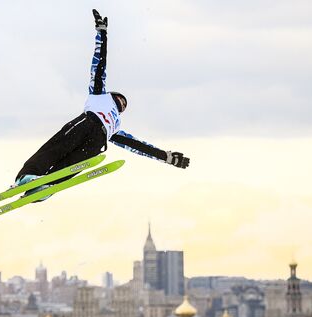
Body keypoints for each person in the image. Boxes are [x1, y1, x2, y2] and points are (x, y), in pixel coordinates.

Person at [14, 9, 190, 198]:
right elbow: (99, 65)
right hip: (87, 123)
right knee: (57, 148)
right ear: (112, 95)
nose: (122, 104)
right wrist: (102, 33)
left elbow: (137, 146)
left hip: (99, 140)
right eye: (120, 100)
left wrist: (167, 157)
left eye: (123, 106)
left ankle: (45, 188)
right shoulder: (99, 94)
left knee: (70, 166)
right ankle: (27, 176)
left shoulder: (116, 126)